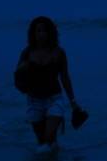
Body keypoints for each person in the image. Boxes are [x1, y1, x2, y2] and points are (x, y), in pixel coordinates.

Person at [15, 16, 81, 149]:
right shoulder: (27, 52)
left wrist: (73, 103)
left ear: (51, 33)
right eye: (38, 31)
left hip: (54, 99)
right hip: (34, 100)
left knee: (48, 137)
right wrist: (22, 72)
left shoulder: (58, 52)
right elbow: (17, 77)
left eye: (44, 31)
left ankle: (52, 151)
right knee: (42, 142)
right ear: (33, 33)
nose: (41, 34)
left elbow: (65, 78)